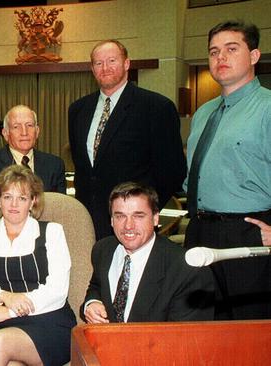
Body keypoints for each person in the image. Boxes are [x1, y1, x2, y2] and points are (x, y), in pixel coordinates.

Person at [184, 20, 271, 320]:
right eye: (214, 51)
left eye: (231, 49)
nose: (220, 58)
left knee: (247, 332)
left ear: (255, 56)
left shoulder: (268, 108)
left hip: (247, 232)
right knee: (203, 325)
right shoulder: (203, 113)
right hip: (198, 230)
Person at [68, 40, 186, 240]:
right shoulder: (78, 110)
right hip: (88, 222)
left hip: (134, 224)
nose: (105, 68)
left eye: (112, 60)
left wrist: (144, 210)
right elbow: (84, 169)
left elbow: (172, 171)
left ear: (126, 64)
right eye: (98, 63)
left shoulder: (156, 107)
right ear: (92, 69)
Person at [0, 165, 76, 366]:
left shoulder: (52, 232)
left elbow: (57, 292)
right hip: (8, 326)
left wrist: (9, 311)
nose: (14, 204)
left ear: (33, 201)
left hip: (51, 322)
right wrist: (5, 297)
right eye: (7, 197)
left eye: (22, 198)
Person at [82, 182, 214, 324]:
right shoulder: (103, 250)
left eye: (138, 216)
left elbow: (185, 339)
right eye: (120, 216)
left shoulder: (188, 271)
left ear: (155, 218)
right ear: (112, 220)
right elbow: (96, 286)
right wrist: (92, 303)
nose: (128, 226)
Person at [0, 104, 66, 228]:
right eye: (16, 127)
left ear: (37, 131)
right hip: (3, 239)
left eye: (29, 125)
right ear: (5, 134)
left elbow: (59, 211)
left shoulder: (54, 165)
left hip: (43, 238)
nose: (24, 132)